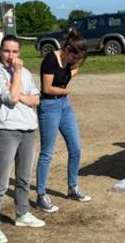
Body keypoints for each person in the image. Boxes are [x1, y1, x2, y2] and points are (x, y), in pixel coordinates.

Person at [0, 35, 46, 243]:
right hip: (7, 130)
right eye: (6, 51)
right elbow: (11, 98)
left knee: (24, 177)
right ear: (0, 52)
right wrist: (17, 78)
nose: (11, 56)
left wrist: (20, 94)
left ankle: (22, 213)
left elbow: (36, 99)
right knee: (0, 181)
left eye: (15, 51)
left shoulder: (26, 73)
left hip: (28, 129)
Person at [35, 29, 91, 212]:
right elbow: (47, 88)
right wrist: (65, 90)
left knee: (75, 148)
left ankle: (73, 188)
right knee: (47, 153)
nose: (75, 61)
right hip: (49, 106)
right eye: (75, 57)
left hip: (65, 106)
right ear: (67, 49)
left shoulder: (69, 60)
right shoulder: (50, 60)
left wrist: (75, 65)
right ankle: (41, 195)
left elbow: (71, 72)